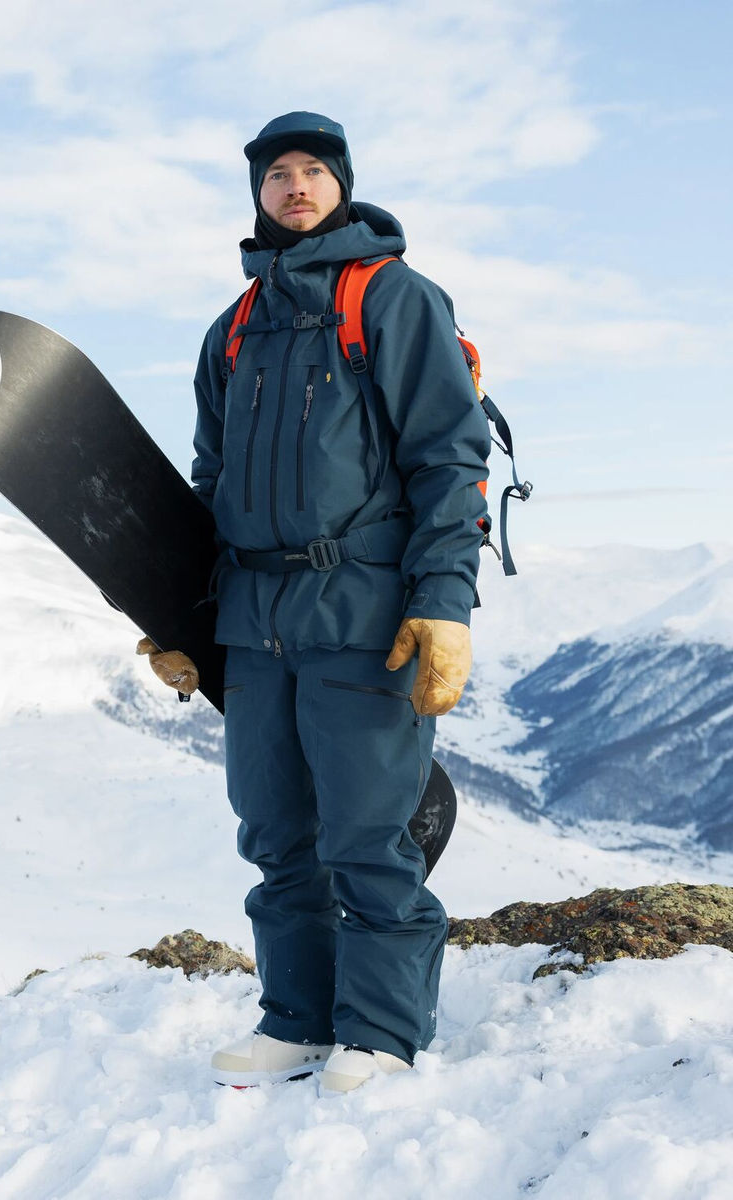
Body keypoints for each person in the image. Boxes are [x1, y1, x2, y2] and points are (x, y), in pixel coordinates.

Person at [138, 111, 490, 1094]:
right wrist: (182, 624)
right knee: (276, 835)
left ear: (340, 183)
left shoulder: (393, 301)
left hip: (364, 615)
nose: (295, 187)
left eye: (312, 172)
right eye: (277, 174)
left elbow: (448, 458)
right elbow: (210, 484)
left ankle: (380, 1028)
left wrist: (445, 604)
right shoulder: (235, 329)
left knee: (369, 838)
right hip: (256, 622)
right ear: (258, 192)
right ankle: (295, 1017)